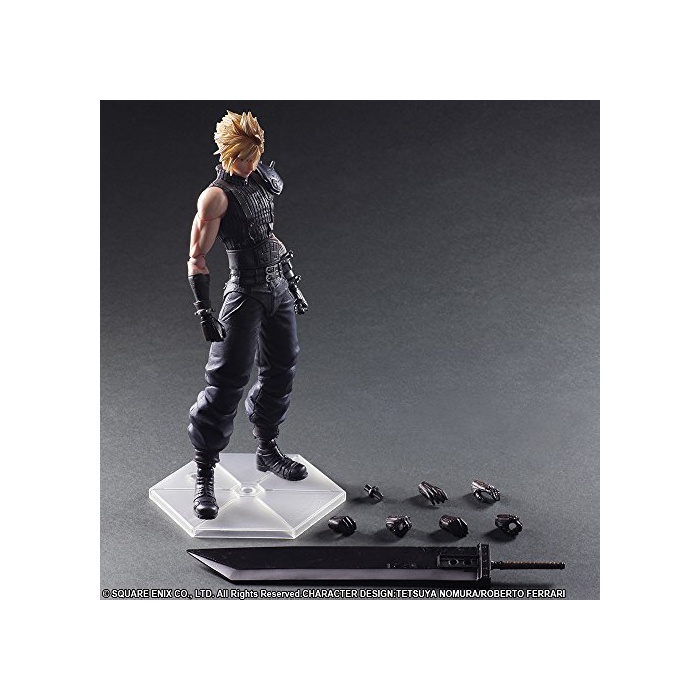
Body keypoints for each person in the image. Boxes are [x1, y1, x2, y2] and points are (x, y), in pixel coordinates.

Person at [186, 111, 309, 520]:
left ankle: (266, 448)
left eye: (255, 155)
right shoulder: (215, 197)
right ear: (227, 153)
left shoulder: (261, 179)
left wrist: (289, 277)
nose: (250, 163)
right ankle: (205, 471)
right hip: (244, 293)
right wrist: (204, 310)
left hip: (277, 286)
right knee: (227, 380)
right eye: (242, 157)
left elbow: (268, 235)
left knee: (281, 368)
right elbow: (197, 257)